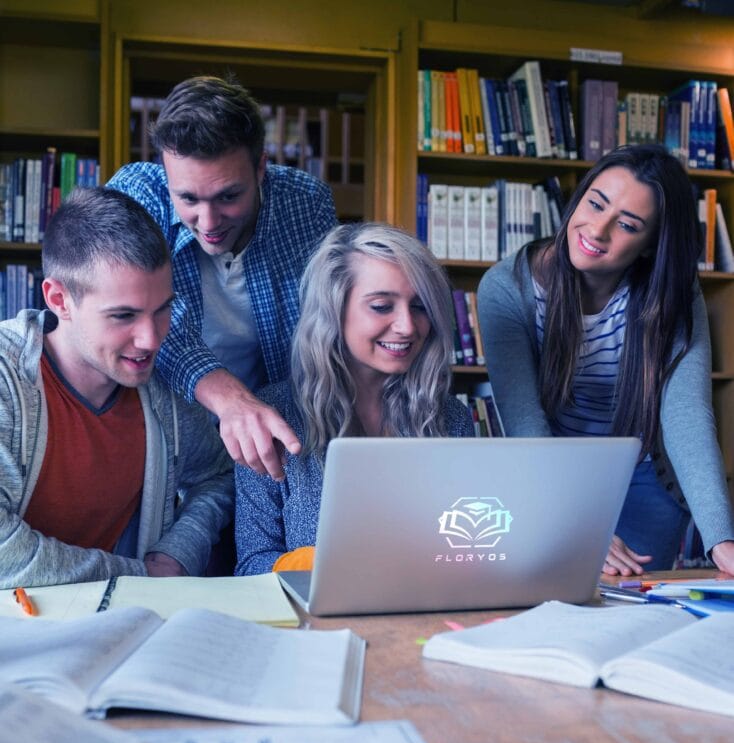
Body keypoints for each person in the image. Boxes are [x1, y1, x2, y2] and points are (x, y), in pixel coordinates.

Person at [477, 143, 734, 576]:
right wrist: (575, 522)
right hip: (549, 480)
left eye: (628, 225)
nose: (597, 230)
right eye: (595, 204)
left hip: (641, 482)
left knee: (634, 618)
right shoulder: (507, 288)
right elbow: (525, 422)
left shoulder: (670, 292)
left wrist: (722, 539)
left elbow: (686, 412)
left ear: (651, 245)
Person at [0, 186, 233, 589]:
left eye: (162, 310)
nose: (151, 339)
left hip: (118, 623)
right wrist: (143, 576)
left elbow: (219, 475)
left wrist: (177, 553)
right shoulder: (7, 379)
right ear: (59, 299)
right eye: (123, 316)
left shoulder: (161, 389)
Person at [107, 74, 338, 479]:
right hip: (164, 443)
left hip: (277, 440)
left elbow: (326, 323)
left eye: (229, 196)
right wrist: (228, 397)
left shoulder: (306, 204)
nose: (209, 222)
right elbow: (135, 317)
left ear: (261, 167)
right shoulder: (136, 195)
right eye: (189, 199)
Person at [233, 222, 475, 576]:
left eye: (420, 307)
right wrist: (335, 565)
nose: (407, 326)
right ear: (334, 310)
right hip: (313, 626)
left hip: (425, 623)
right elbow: (252, 565)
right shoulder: (272, 417)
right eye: (381, 306)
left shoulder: (450, 417)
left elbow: (469, 554)